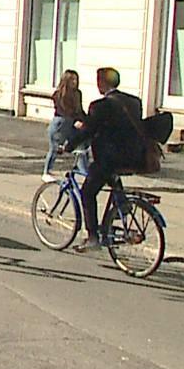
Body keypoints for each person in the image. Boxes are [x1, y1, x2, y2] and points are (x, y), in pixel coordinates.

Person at [63, 67, 144, 251]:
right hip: (133, 158)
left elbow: (89, 130)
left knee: (87, 192)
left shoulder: (99, 106)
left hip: (109, 159)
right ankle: (122, 210)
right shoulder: (134, 102)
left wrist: (68, 146)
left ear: (102, 83)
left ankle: (92, 237)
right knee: (113, 182)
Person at [43, 69, 85, 177]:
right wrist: (75, 120)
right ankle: (46, 172)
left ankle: (84, 171)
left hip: (71, 124)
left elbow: (79, 110)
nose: (74, 82)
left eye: (76, 79)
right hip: (60, 124)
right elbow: (63, 110)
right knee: (54, 148)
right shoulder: (59, 94)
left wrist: (85, 120)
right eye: (72, 80)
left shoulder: (77, 93)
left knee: (80, 146)